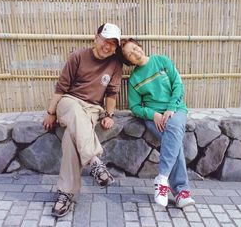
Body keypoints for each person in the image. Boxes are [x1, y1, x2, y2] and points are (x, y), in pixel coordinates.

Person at [43, 23, 123, 218]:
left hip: (92, 110)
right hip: (68, 103)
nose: (108, 46)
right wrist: (51, 112)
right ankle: (94, 160)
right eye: (106, 40)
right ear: (96, 37)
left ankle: (66, 194)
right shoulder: (78, 56)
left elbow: (112, 93)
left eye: (113, 44)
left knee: (72, 139)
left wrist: (109, 115)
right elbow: (61, 87)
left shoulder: (115, 64)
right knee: (73, 110)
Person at [120, 38, 195, 209]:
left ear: (140, 46)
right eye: (130, 54)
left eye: (135, 48)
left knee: (174, 129)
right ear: (128, 61)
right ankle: (182, 192)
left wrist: (170, 108)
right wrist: (152, 114)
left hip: (175, 110)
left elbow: (178, 85)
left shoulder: (161, 61)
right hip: (154, 119)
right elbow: (135, 106)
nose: (135, 53)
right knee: (174, 142)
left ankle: (162, 178)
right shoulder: (134, 80)